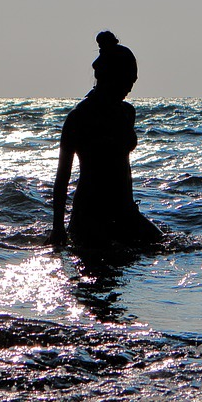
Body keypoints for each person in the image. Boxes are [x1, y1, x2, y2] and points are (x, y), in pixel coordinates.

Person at [46, 31, 163, 249]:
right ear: (111, 77)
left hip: (126, 212)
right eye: (127, 81)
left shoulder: (127, 112)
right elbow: (62, 179)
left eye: (133, 81)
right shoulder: (78, 118)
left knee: (172, 247)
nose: (130, 88)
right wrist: (58, 228)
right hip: (90, 215)